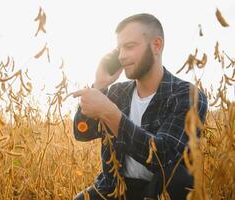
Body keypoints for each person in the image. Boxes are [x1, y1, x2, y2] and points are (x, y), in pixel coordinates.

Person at [72, 13, 208, 200]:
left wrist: (111, 114)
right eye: (119, 50)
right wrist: (100, 84)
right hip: (115, 187)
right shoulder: (117, 93)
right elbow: (83, 132)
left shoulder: (186, 95)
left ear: (156, 45)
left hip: (160, 190)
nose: (121, 56)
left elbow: (164, 156)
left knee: (179, 179)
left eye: (129, 47)